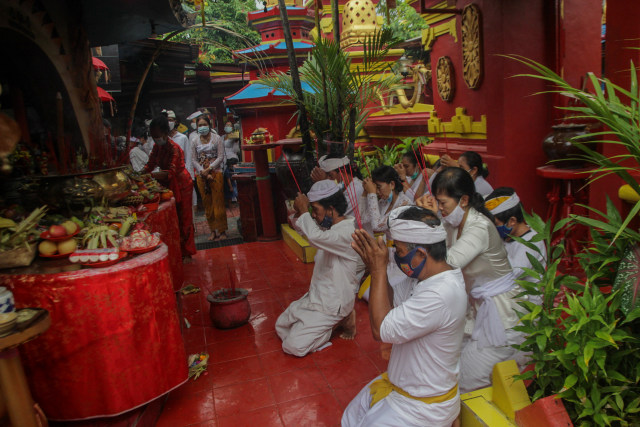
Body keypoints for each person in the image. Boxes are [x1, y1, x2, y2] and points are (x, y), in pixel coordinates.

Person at [343, 206, 467, 427]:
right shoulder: (424, 277)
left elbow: (381, 329)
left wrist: (378, 271)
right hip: (405, 390)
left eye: (398, 251)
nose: (395, 256)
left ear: (420, 254)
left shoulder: (440, 293)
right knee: (351, 417)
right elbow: (389, 303)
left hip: (422, 406)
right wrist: (376, 269)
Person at [418, 167, 525, 393]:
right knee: (445, 366)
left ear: (464, 200)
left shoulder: (479, 227)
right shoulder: (454, 222)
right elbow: (441, 237)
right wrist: (431, 218)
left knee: (464, 381)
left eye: (443, 203)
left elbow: (447, 263)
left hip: (502, 316)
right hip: (476, 312)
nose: (441, 209)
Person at [276, 180, 360, 357]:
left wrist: (305, 212)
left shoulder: (347, 232)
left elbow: (314, 236)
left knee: (293, 347)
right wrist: (301, 212)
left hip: (333, 304)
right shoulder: (330, 228)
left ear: (330, 209)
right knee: (280, 326)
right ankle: (324, 324)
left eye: (316, 210)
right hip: (317, 296)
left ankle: (338, 321)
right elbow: (309, 232)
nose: (313, 215)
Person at [141, 115, 196, 261]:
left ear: (166, 133)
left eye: (157, 136)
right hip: (168, 185)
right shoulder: (156, 147)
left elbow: (171, 172)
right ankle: (177, 249)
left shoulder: (174, 148)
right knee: (174, 219)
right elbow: (150, 164)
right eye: (153, 136)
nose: (156, 139)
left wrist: (152, 175)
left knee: (184, 218)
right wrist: (139, 174)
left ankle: (187, 252)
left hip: (182, 185)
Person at [485, 187, 546, 302]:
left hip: (526, 307)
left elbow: (510, 274)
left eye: (495, 224)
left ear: (512, 221)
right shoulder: (506, 236)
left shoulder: (531, 242)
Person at [312, 154, 372, 236]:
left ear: (342, 172)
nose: (328, 180)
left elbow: (333, 216)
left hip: (360, 242)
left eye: (330, 176)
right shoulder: (342, 189)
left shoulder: (357, 188)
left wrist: (323, 185)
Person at [191, 116, 227, 240]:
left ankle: (222, 231)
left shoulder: (217, 139)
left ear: (209, 125)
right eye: (199, 125)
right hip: (201, 176)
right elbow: (193, 159)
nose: (202, 127)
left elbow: (221, 157)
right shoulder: (194, 141)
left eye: (204, 124)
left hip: (216, 173)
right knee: (207, 205)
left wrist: (209, 168)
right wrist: (202, 171)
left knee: (218, 203)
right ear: (197, 127)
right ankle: (213, 231)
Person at [363, 166, 414, 238]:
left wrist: (372, 194)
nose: (377, 192)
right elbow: (363, 219)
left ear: (392, 185)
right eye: (375, 188)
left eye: (379, 187)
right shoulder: (384, 201)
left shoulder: (404, 205)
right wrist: (365, 193)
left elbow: (377, 227)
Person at [222, 121, 240, 204]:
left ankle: (235, 197)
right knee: (226, 178)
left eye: (229, 125)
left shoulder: (234, 136)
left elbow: (236, 150)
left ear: (232, 128)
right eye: (226, 125)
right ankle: (228, 195)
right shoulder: (222, 137)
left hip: (232, 158)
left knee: (233, 178)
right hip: (224, 159)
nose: (227, 127)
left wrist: (236, 142)